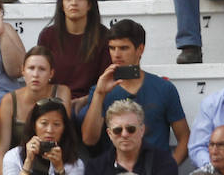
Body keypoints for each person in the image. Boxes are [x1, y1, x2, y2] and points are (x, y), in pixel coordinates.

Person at [80, 19, 190, 163]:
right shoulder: (100, 90)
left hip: (155, 171)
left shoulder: (164, 88)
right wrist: (99, 94)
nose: (116, 54)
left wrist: (168, 170)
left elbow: (185, 138)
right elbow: (89, 139)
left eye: (124, 48)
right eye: (112, 48)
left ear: (140, 49)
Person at [82, 99, 178, 175]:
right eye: (118, 130)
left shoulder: (164, 161)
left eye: (131, 129)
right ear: (109, 134)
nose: (125, 134)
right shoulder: (96, 167)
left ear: (142, 130)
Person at [0, 46, 71, 175]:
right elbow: (2, 148)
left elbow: (65, 135)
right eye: (31, 68)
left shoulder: (61, 92)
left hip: (54, 161)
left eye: (42, 69)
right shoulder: (10, 100)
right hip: (20, 163)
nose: (35, 74)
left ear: (51, 73)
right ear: (23, 71)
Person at [36, 0, 111, 106]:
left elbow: (106, 81)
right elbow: (42, 77)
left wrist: (85, 100)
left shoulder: (104, 36)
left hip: (91, 102)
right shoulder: (48, 36)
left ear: (89, 4)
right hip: (54, 102)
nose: (74, 3)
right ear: (62, 5)